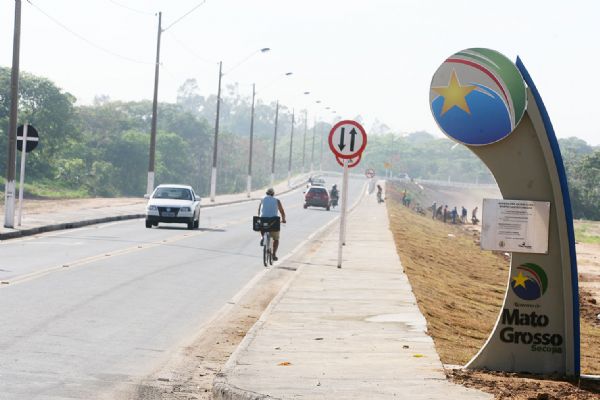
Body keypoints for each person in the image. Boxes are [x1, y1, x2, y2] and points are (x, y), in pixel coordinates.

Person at [258, 188, 286, 261]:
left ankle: (262, 237)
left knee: (261, 225)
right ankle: (273, 254)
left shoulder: (262, 199)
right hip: (273, 221)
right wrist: (283, 219)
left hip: (263, 220)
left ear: (266, 193)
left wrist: (259, 217)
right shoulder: (277, 200)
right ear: (273, 194)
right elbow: (282, 211)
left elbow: (259, 210)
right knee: (276, 239)